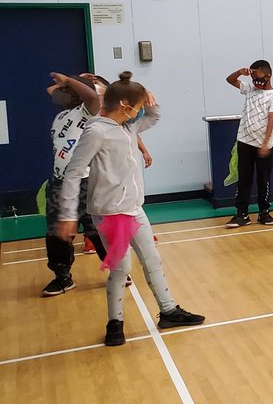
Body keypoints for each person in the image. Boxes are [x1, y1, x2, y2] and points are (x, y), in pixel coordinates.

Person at [54, 72, 204, 346]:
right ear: (125, 106)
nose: (139, 111)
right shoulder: (96, 131)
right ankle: (115, 323)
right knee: (121, 268)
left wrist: (149, 97)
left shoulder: (128, 128)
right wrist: (67, 214)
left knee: (152, 259)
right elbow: (74, 173)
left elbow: (154, 117)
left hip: (134, 208)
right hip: (110, 212)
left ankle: (168, 310)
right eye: (136, 106)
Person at [42, 73, 110, 296]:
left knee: (96, 229)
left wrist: (72, 81)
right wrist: (71, 81)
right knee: (56, 232)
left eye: (68, 91)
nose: (60, 93)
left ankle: (116, 268)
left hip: (85, 180)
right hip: (58, 182)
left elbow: (91, 96)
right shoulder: (62, 116)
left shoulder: (88, 112)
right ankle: (62, 276)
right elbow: (51, 92)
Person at [225, 61, 273, 228]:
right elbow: (229, 80)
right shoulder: (250, 89)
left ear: (268, 75)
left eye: (257, 76)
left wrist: (265, 144)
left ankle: (264, 212)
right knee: (244, 179)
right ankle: (241, 214)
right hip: (244, 141)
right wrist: (239, 72)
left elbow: (271, 120)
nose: (254, 80)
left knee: (263, 180)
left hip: (264, 145)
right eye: (252, 75)